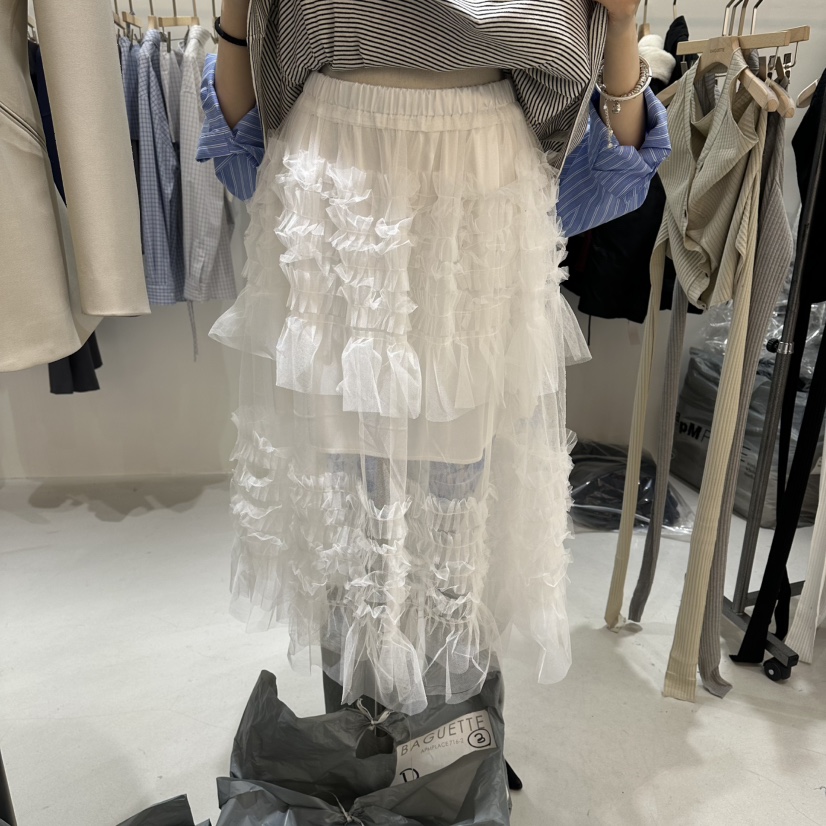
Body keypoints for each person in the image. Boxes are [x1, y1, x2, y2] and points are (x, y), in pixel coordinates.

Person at [197, 0, 670, 716]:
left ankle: (454, 733)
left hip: (477, 196)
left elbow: (613, 165)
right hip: (341, 192)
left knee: (459, 491)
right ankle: (358, 730)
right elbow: (241, 143)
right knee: (348, 487)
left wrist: (624, 24)